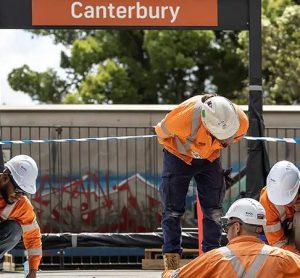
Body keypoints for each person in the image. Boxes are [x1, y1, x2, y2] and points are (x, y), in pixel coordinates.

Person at [155, 94, 249, 270]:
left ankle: (211, 259)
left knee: (213, 211)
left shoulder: (240, 121)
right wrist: (185, 148)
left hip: (210, 159)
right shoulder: (182, 118)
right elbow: (161, 133)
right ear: (207, 125)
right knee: (172, 211)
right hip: (178, 157)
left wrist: (210, 147)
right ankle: (171, 260)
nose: (227, 140)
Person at [162, 198, 300, 278]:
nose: (227, 232)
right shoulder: (283, 259)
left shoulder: (214, 258)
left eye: (227, 227)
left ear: (237, 227)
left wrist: (166, 273)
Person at [0, 155, 42, 278]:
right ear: (5, 178)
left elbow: (33, 237)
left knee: (14, 230)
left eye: (23, 192)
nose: (20, 196)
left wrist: (33, 271)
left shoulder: (21, 205)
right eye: (18, 190)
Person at [259, 160, 300, 253]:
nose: (285, 204)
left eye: (289, 200)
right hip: (278, 241)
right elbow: (277, 242)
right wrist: (296, 259)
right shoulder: (267, 202)